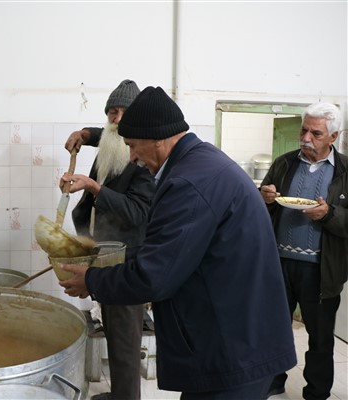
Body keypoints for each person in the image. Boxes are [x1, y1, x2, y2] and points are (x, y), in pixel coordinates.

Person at [60, 86, 297, 399]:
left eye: (132, 146)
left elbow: (154, 276)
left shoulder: (188, 183)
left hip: (234, 349)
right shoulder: (199, 161)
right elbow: (173, 250)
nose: (132, 157)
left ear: (157, 138)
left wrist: (92, 280)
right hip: (235, 338)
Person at [61, 79, 155, 400]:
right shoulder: (113, 143)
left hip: (128, 263)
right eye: (112, 112)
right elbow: (106, 135)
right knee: (114, 336)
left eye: (124, 112)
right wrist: (84, 134)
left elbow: (138, 213)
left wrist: (93, 187)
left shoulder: (142, 160)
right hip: (105, 257)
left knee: (125, 344)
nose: (117, 118)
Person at [260, 102, 347, 400]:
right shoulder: (284, 163)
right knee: (273, 329)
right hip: (279, 265)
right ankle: (273, 382)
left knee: (320, 338)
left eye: (316, 133)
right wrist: (265, 198)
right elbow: (262, 208)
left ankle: (317, 392)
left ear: (333, 136)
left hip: (321, 271)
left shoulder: (345, 171)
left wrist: (329, 214)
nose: (306, 138)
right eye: (304, 130)